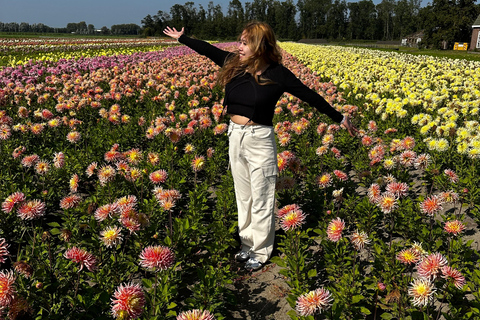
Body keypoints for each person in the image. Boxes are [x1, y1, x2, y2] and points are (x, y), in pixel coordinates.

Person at [164, 21, 358, 271]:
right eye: (240, 41)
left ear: (259, 45)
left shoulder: (278, 74)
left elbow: (310, 96)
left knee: (262, 197)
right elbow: (208, 49)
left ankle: (261, 251)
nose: (239, 46)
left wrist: (340, 118)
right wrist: (183, 38)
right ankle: (246, 245)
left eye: (245, 42)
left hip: (260, 139)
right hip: (235, 136)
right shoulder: (234, 64)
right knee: (243, 195)